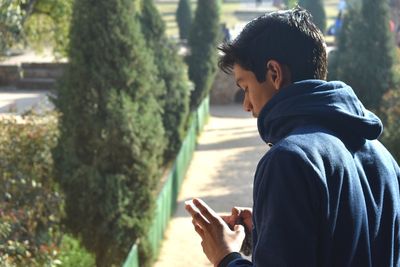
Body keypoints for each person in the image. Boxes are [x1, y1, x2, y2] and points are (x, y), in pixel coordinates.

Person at [185, 7, 400, 267]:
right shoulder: (382, 156)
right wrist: (270, 226)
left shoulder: (289, 160)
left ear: (274, 74)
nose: (246, 104)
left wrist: (225, 257)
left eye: (246, 88)